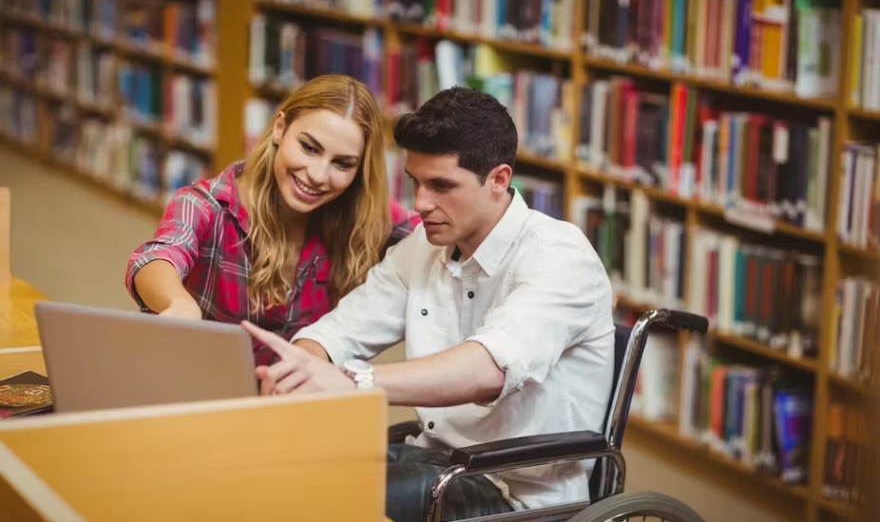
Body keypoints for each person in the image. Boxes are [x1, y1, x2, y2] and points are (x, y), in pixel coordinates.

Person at [243, 86, 615, 521]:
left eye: (441, 186)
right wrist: (303, 365)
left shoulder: (559, 255)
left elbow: (488, 368)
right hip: (438, 462)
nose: (420, 204)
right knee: (278, 476)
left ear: (498, 179)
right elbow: (342, 329)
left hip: (517, 491)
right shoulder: (425, 246)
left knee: (321, 503)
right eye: (416, 182)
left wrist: (355, 381)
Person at [125, 74, 420, 367]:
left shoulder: (363, 213)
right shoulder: (206, 205)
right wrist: (179, 303)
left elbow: (435, 229)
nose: (318, 175)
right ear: (280, 128)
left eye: (342, 163)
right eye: (309, 148)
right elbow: (157, 257)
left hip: (292, 400)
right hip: (204, 391)